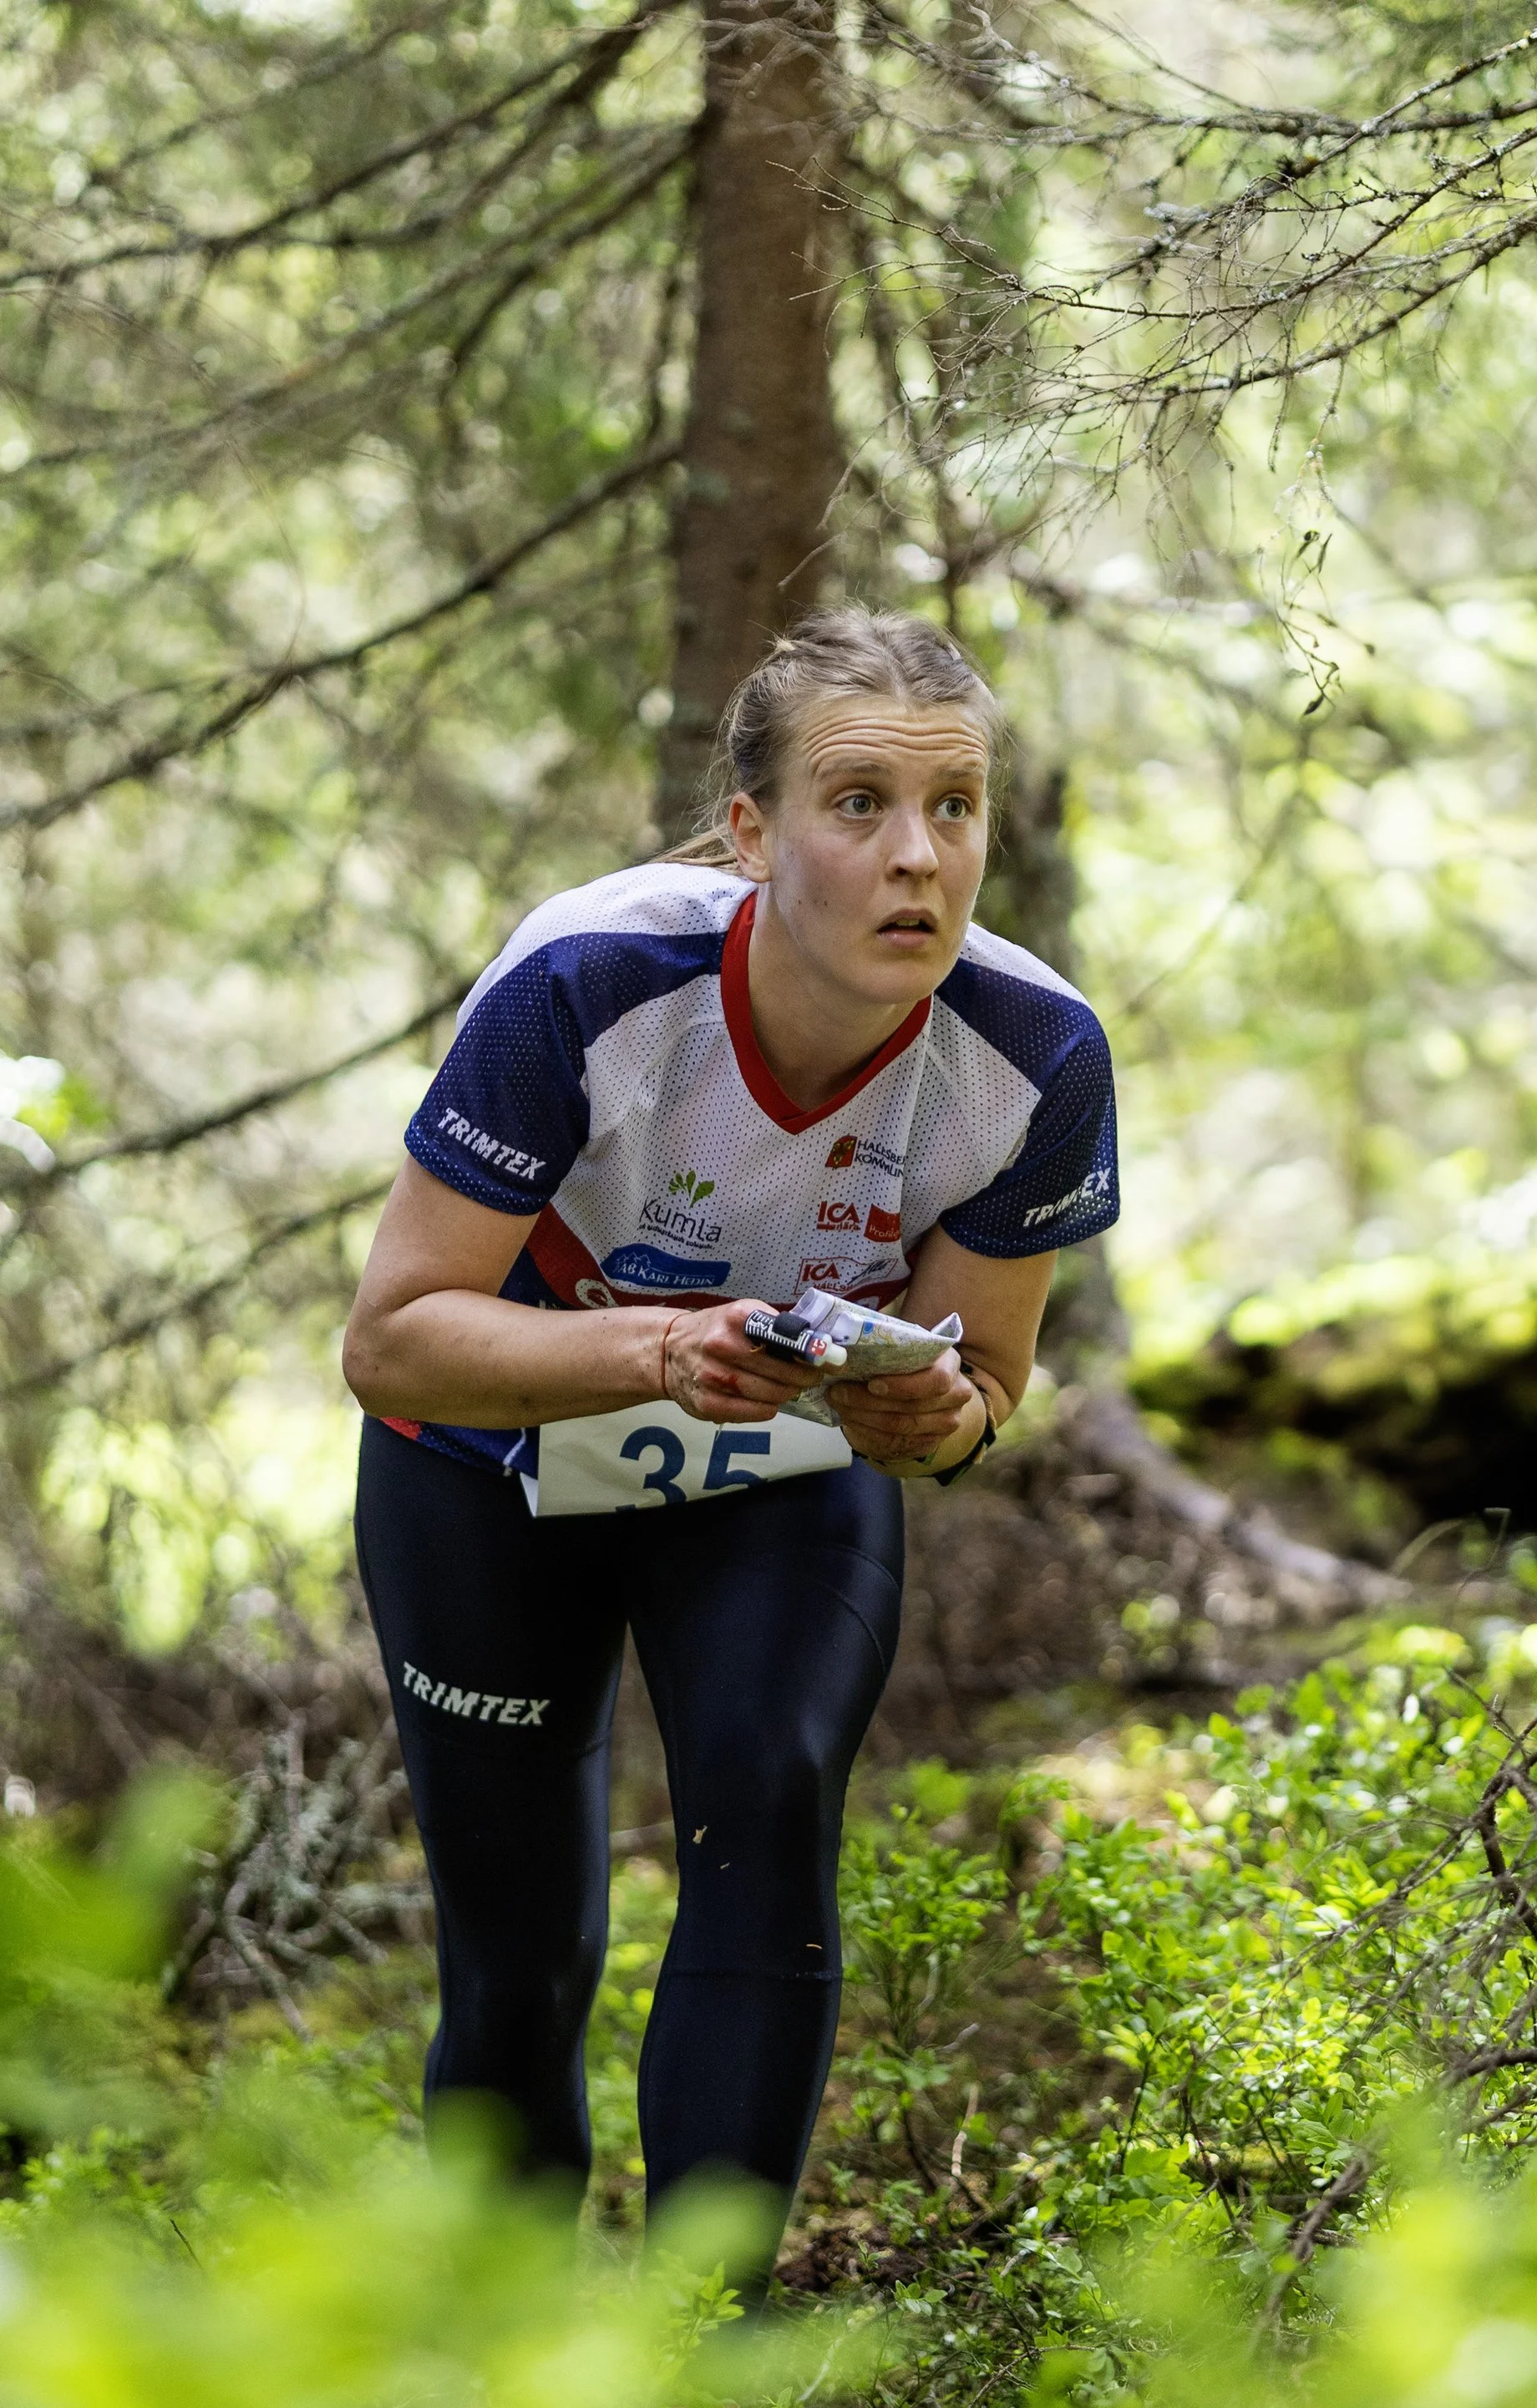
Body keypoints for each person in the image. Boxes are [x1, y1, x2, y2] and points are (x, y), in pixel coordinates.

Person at [342, 604, 1117, 2268]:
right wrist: (655, 1345)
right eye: (858, 804)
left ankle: (697, 2364)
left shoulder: (1035, 1051)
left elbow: (982, 1384)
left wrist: (942, 1416)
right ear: (751, 832)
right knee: (521, 1946)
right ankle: (503, 2380)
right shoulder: (591, 978)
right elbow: (392, 1333)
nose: (919, 856)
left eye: (956, 806)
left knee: (765, 1816)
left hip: (775, 1469)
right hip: (487, 1454)